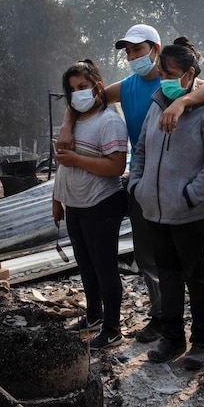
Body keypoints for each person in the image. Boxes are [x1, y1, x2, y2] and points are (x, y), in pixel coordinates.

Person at [57, 24, 204, 344]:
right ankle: (163, 317)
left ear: (156, 50)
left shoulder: (181, 83)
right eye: (129, 51)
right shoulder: (129, 87)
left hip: (185, 184)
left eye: (138, 49)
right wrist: (67, 125)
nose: (133, 56)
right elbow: (84, 98)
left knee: (194, 257)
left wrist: (181, 103)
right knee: (150, 255)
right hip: (145, 181)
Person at [127, 37, 204, 370]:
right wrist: (137, 186)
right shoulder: (157, 105)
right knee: (168, 275)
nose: (164, 81)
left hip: (190, 211)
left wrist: (192, 194)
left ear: (189, 75)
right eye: (161, 74)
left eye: (170, 74)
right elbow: (141, 149)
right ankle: (173, 337)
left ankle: (202, 339)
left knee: (197, 274)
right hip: (155, 209)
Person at [52, 60, 129, 351]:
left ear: (97, 86)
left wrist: (77, 160)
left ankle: (112, 328)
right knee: (85, 265)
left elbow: (116, 166)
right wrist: (57, 198)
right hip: (75, 204)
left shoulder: (109, 122)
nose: (78, 94)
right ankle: (93, 315)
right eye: (72, 90)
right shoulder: (72, 125)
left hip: (102, 203)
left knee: (105, 267)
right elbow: (62, 166)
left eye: (82, 87)